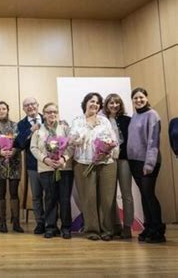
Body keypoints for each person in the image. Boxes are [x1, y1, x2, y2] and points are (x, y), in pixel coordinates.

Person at [70, 92, 118, 241]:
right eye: (92, 101)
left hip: (106, 163)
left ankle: (107, 230)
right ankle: (92, 230)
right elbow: (72, 139)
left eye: (98, 103)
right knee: (88, 198)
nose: (95, 105)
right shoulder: (77, 121)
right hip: (83, 163)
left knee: (107, 198)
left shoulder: (105, 121)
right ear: (85, 103)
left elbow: (113, 140)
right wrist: (82, 133)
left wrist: (109, 150)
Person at [127, 87, 166, 243]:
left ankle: (158, 231)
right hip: (134, 161)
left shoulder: (152, 115)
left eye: (141, 97)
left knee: (149, 195)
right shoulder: (135, 115)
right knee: (144, 195)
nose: (138, 100)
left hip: (148, 161)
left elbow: (153, 140)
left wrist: (149, 163)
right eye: (135, 98)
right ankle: (148, 227)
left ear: (146, 98)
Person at [30, 103, 73, 239]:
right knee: (49, 198)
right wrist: (45, 159)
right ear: (44, 114)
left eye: (54, 112)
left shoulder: (65, 129)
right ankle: (51, 227)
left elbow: (71, 146)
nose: (52, 114)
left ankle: (66, 227)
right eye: (48, 112)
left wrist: (64, 159)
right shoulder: (38, 130)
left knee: (64, 199)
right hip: (46, 169)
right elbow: (34, 148)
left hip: (64, 168)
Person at [0, 101, 23, 233]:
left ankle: (16, 222)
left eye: (4, 109)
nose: (1, 111)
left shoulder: (15, 126)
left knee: (14, 193)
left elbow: (20, 143)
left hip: (14, 163)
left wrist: (14, 151)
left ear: (8, 110)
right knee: (1, 194)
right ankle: (3, 223)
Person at [103, 93, 133, 239]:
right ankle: (115, 225)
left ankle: (127, 226)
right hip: (108, 161)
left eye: (117, 103)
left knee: (126, 194)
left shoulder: (128, 120)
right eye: (111, 103)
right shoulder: (102, 121)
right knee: (110, 195)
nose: (114, 106)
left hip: (124, 160)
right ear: (106, 105)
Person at [14, 97, 45, 234]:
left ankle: (52, 222)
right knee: (36, 195)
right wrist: (30, 130)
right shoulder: (21, 124)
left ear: (38, 105)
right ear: (23, 109)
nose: (30, 107)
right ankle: (40, 223)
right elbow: (19, 144)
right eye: (27, 105)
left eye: (32, 104)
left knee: (50, 195)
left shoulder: (48, 118)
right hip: (33, 165)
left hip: (50, 164)